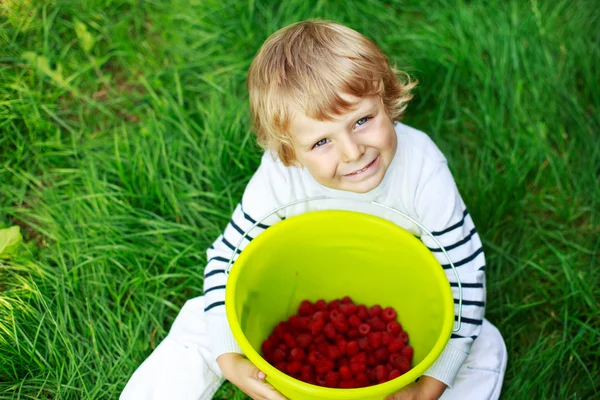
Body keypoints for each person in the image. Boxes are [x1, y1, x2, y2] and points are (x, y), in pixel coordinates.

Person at [121, 19, 507, 400]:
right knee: (199, 317)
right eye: (321, 141)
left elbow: (465, 275)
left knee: (481, 342)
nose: (353, 152)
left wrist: (427, 388)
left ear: (387, 100)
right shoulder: (281, 176)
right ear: (288, 152)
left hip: (404, 300)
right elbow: (227, 257)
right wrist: (230, 359)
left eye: (362, 120)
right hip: (295, 289)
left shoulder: (422, 169)